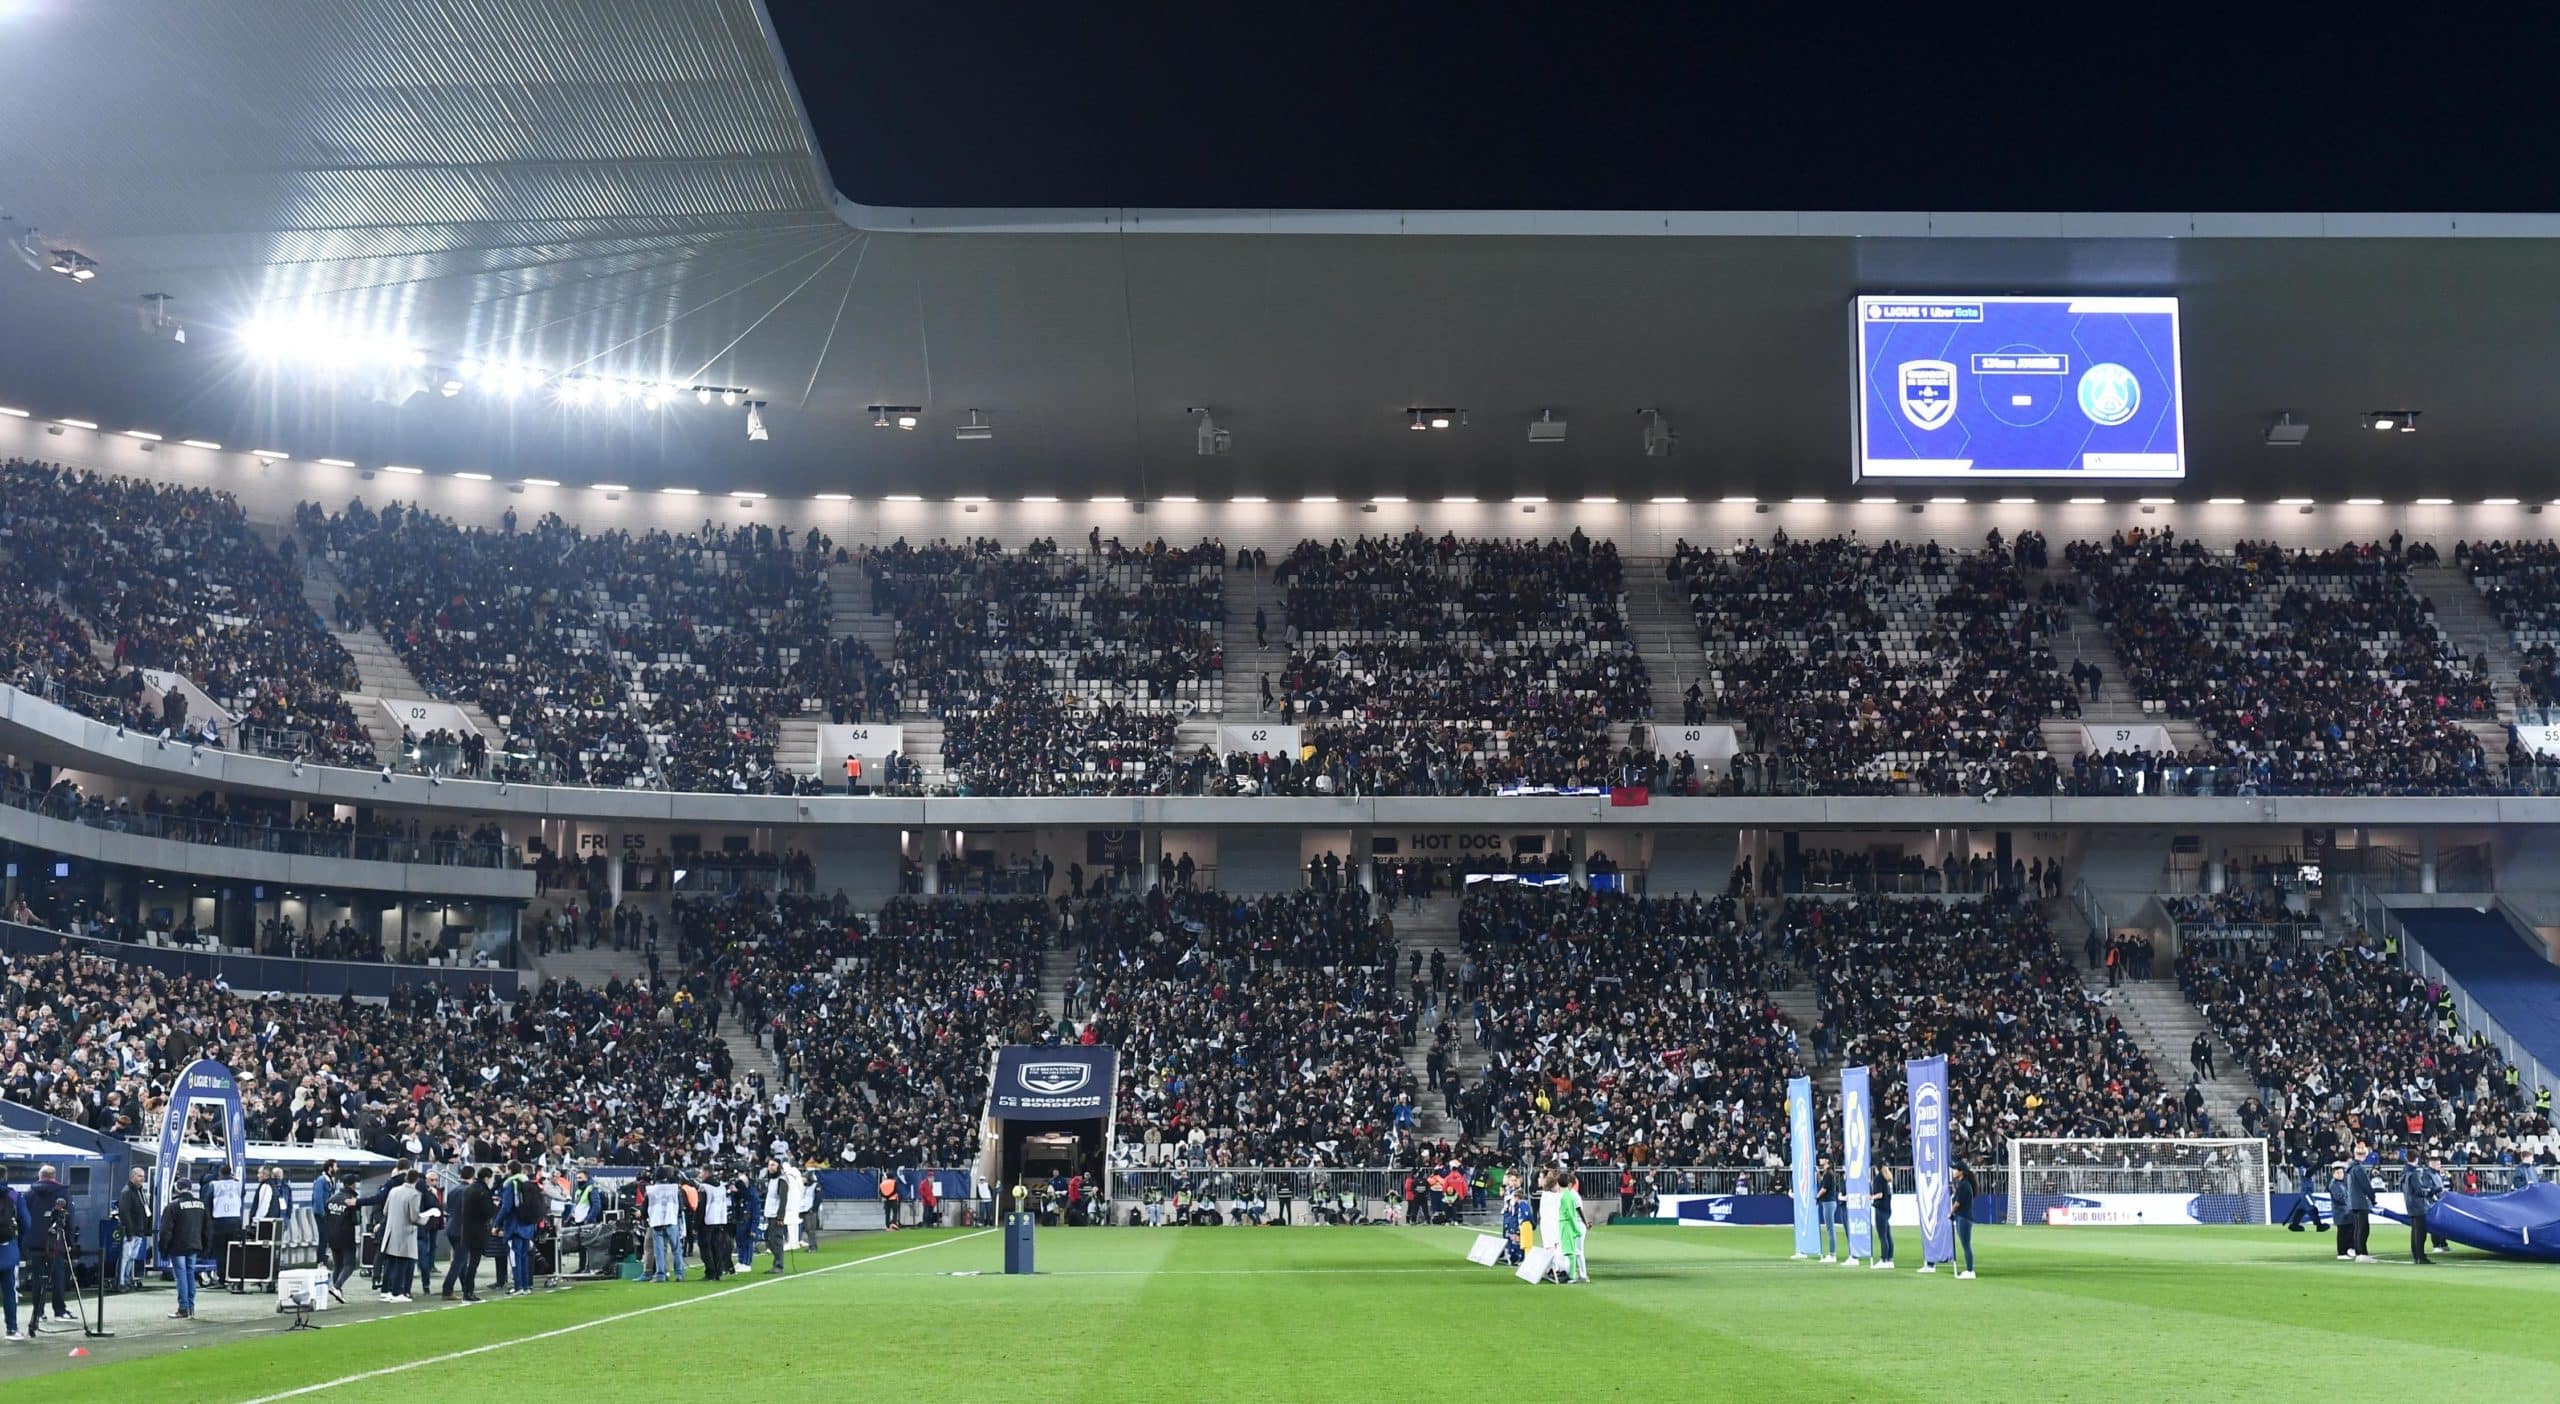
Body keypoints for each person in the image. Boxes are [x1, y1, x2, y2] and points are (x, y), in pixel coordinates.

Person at [21, 1164, 74, 1321]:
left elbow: (23, 1217)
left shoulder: (29, 1193)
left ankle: (38, 1312)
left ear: (40, 1176)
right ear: (54, 1176)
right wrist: (69, 1240)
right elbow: (69, 1218)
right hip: (56, 1242)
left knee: (37, 1278)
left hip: (35, 1242)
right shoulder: (63, 1192)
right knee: (58, 1276)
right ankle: (59, 1311)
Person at [158, 1176, 211, 1320]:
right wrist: (205, 1247)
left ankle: (183, 1308)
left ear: (177, 1188)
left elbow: (165, 1230)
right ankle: (191, 1307)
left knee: (181, 1276)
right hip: (194, 1245)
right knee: (189, 1275)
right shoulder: (201, 1204)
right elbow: (207, 1228)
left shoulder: (173, 1206)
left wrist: (163, 1249)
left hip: (177, 1246)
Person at [443, 1166, 494, 1302]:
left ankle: (464, 1286)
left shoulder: (453, 1190)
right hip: (464, 1229)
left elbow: (448, 1208)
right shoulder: (470, 1191)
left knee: (460, 1260)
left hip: (451, 1227)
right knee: (460, 1261)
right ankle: (448, 1289)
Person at [379, 1169, 425, 1302]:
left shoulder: (393, 1190)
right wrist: (426, 1218)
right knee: (402, 1262)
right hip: (405, 1232)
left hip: (391, 1230)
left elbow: (385, 1210)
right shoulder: (415, 1194)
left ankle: (385, 1291)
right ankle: (397, 1293)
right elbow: (414, 1217)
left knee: (390, 1262)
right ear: (417, 1180)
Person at [499, 1163, 541, 1296]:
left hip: (514, 1225)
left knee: (515, 1256)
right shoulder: (529, 1184)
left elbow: (506, 1208)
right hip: (528, 1225)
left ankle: (518, 1286)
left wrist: (496, 1224)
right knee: (524, 1256)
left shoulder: (511, 1184)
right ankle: (526, 1285)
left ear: (509, 1170)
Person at [2402, 1149, 2443, 1265]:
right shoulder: (2414, 1173)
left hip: (2410, 1204)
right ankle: (2420, 1256)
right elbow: (2419, 1190)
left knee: (2415, 1231)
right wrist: (2431, 1191)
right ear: (2416, 1159)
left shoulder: (2404, 1172)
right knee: (2420, 1232)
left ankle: (2416, 1255)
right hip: (2418, 1205)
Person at [644, 1168, 685, 1282]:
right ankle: (679, 1274)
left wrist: (643, 1216)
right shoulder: (674, 1189)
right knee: (676, 1249)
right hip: (671, 1220)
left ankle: (661, 1275)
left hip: (656, 1222)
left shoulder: (650, 1190)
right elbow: (681, 1207)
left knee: (659, 1250)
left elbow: (645, 1208)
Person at [117, 1166, 153, 1290]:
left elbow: (145, 1210)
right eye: (139, 1176)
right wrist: (129, 1231)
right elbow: (124, 1213)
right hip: (131, 1231)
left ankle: (127, 1279)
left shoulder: (140, 1191)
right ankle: (121, 1281)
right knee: (125, 1257)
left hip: (139, 1230)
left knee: (132, 1258)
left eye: (143, 1176)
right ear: (132, 1176)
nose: (142, 1178)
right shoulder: (127, 1192)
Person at [1552, 1169, 1590, 1284]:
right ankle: (1571, 1272)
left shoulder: (1572, 1195)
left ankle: (1582, 1275)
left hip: (1576, 1224)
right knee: (1570, 1250)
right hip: (1570, 1223)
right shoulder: (1566, 1194)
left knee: (1578, 1251)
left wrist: (1585, 1223)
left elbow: (1579, 1211)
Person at [760, 1159, 793, 1274]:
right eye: (769, 1165)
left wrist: (780, 1217)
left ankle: (779, 1265)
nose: (770, 1167)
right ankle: (777, 1263)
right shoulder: (771, 1180)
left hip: (776, 1215)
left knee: (776, 1240)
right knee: (770, 1239)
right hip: (770, 1214)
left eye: (773, 1165)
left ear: (779, 1166)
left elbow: (783, 1200)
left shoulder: (781, 1180)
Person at [0, 1178, 21, 1339]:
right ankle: (12, 1329)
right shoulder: (13, 1194)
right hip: (7, 1249)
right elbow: (26, 1222)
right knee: (9, 1291)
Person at [1950, 1163, 1978, 1279]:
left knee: (1966, 1244)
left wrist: (1950, 1212)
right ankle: (1969, 1269)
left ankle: (1970, 1270)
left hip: (1964, 1217)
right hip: (1962, 1217)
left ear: (1961, 1172)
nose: (1954, 1172)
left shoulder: (1964, 1186)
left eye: (1956, 1170)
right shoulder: (1963, 1185)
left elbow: (1957, 1203)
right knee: (1965, 1244)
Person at [1814, 1155, 1844, 1263]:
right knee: (1829, 1228)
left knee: (1830, 1229)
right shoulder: (1828, 1174)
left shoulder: (1828, 1174)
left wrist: (1817, 1196)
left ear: (1827, 1160)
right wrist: (1818, 1174)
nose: (1820, 1160)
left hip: (1828, 1202)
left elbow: (1824, 1188)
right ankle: (1832, 1253)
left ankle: (1832, 1254)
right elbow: (1823, 1183)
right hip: (1828, 1202)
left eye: (1822, 1158)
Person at [1868, 1165, 1897, 1270]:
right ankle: (1889, 1259)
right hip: (1887, 1208)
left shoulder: (1878, 1179)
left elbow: (1879, 1194)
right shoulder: (1887, 1179)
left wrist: (1871, 1197)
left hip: (1880, 1208)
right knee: (1888, 1235)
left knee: (1882, 1236)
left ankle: (1884, 1259)